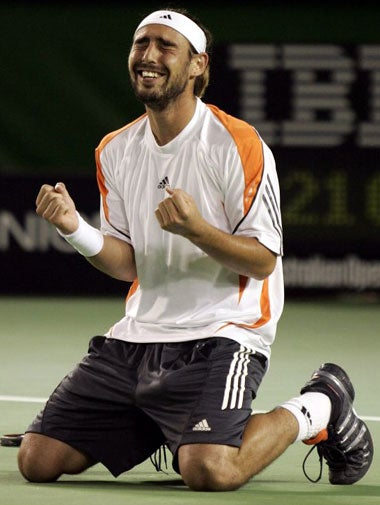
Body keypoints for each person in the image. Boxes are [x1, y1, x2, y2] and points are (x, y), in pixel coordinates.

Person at [18, 7, 373, 491]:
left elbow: (264, 259)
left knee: (209, 471)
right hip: (138, 336)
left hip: (225, 333)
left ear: (197, 65)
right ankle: (168, 422)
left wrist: (197, 230)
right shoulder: (114, 150)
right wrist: (73, 227)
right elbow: (128, 265)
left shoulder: (237, 144)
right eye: (141, 44)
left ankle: (321, 404)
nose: (148, 56)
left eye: (166, 46)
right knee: (37, 461)